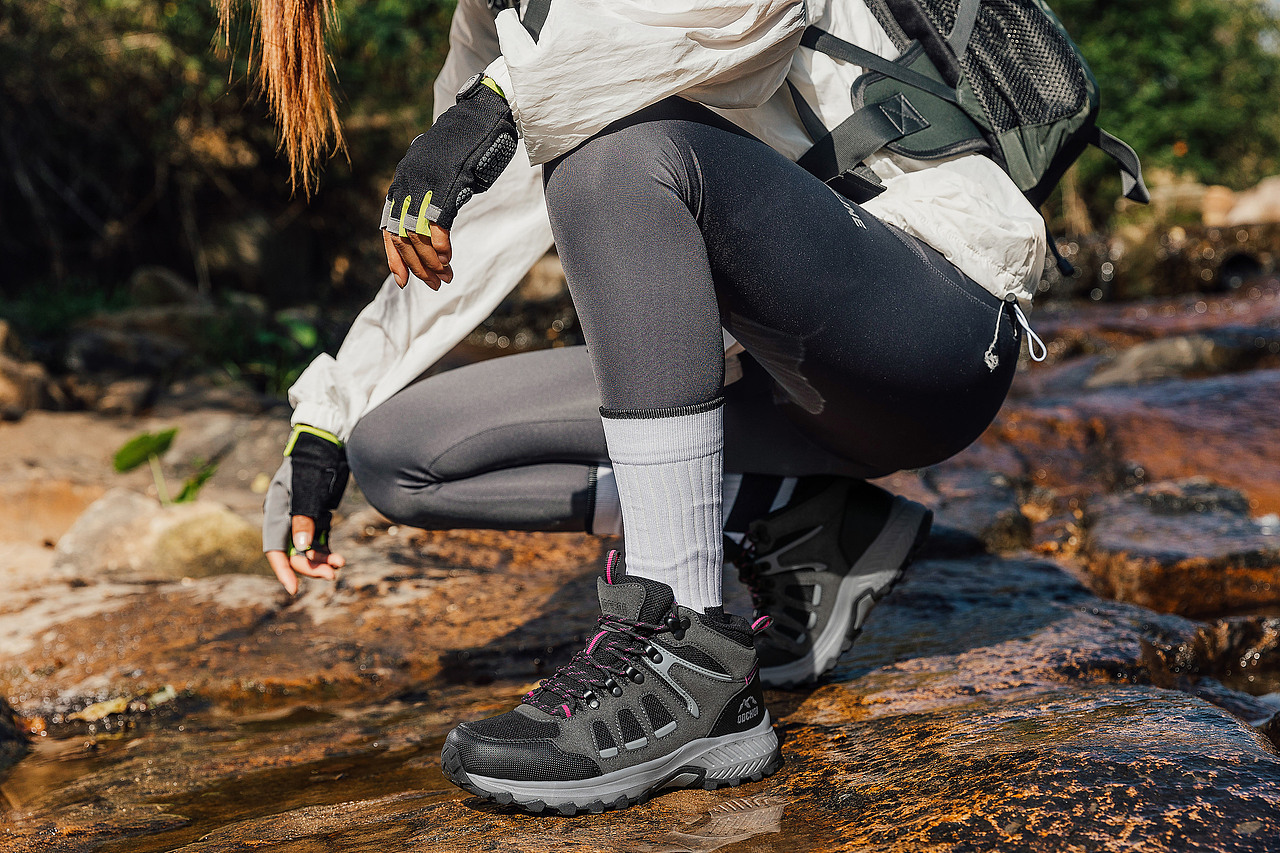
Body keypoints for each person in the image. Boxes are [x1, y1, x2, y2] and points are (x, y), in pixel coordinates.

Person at [252, 0, 1047, 815]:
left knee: (611, 153)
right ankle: (801, 518)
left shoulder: (529, 60)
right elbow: (463, 224)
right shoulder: (495, 16)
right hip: (770, 371)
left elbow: (730, 17)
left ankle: (687, 658)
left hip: (929, 324)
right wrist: (328, 417)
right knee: (399, 452)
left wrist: (498, 100)